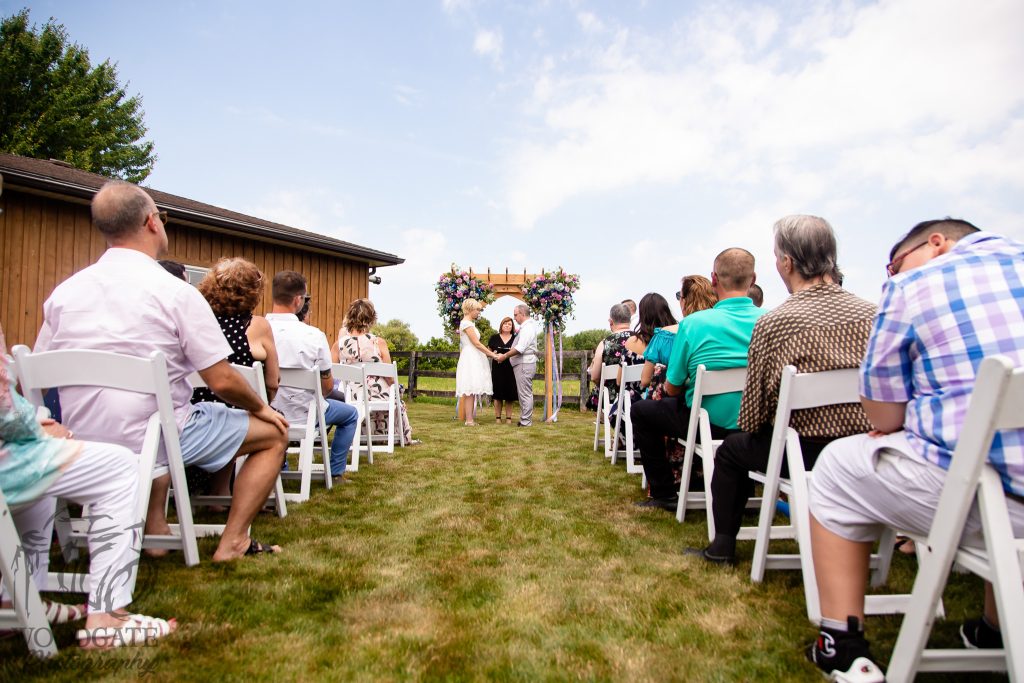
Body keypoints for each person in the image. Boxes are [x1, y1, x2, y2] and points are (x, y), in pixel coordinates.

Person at [804, 219, 1024, 681]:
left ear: (938, 243)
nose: (891, 276)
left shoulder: (914, 286)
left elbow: (884, 415)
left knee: (835, 469)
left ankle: (840, 642)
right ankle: (995, 627)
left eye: (894, 264)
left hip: (993, 498)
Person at [36, 180, 289, 561]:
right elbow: (220, 379)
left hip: (82, 438)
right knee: (273, 434)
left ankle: (154, 525)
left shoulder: (65, 292)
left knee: (156, 412)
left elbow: (38, 373)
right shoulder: (175, 293)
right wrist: (261, 407)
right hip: (157, 438)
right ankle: (234, 541)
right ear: (152, 222)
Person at [686, 215, 875, 564]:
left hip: (801, 451)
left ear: (787, 263)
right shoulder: (873, 314)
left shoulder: (775, 322)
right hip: (865, 450)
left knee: (732, 450)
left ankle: (723, 545)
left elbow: (754, 414)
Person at [0, 324, 177, 649]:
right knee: (120, 465)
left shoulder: (62, 296)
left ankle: (15, 597)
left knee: (45, 467)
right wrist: (36, 427)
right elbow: (4, 406)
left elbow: (32, 366)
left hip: (22, 451)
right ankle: (108, 615)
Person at [631, 249, 765, 510]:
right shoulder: (771, 320)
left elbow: (673, 386)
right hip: (756, 425)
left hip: (706, 422)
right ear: (753, 279)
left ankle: (664, 492)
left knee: (642, 411)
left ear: (714, 279)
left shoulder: (692, 324)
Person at [191, 257, 281, 499]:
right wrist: (263, 405)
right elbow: (273, 381)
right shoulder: (257, 325)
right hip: (236, 412)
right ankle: (250, 497)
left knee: (229, 407)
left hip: (192, 413)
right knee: (262, 418)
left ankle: (216, 489)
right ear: (253, 292)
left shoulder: (196, 321)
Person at [267, 271, 359, 478]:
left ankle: (280, 468)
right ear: (299, 300)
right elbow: (327, 388)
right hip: (306, 414)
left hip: (266, 414)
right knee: (350, 414)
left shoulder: (254, 330)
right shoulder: (313, 336)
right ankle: (335, 472)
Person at [335, 298, 413, 444]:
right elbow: (389, 377)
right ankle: (395, 435)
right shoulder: (378, 342)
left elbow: (332, 372)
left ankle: (360, 434)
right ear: (371, 319)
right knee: (395, 393)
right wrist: (397, 389)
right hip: (380, 396)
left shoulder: (338, 345)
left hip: (352, 396)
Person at [587, 303, 641, 411]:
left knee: (595, 396)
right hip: (638, 399)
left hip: (611, 401)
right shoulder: (641, 339)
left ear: (611, 322)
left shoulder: (605, 343)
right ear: (629, 320)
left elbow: (594, 376)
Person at [495, 304, 541, 427]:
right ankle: (524, 419)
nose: (514, 318)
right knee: (523, 393)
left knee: (525, 393)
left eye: (515, 315)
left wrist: (504, 356)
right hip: (522, 364)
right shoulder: (525, 327)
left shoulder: (527, 328)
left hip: (524, 364)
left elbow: (520, 348)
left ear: (522, 314)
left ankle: (526, 421)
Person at [454, 298, 496, 426]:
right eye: (477, 310)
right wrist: (492, 355)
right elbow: (476, 343)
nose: (479, 312)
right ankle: (469, 420)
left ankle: (470, 419)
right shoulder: (467, 324)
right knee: (470, 389)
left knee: (471, 389)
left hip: (472, 355)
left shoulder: (468, 323)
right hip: (471, 357)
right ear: (470, 309)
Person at [487, 316, 518, 424]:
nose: (507, 325)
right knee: (498, 394)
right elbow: (488, 352)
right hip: (497, 369)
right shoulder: (494, 337)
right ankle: (498, 418)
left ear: (512, 326)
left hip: (511, 369)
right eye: (505, 323)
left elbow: (519, 351)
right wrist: (494, 355)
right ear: (501, 325)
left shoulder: (516, 338)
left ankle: (509, 418)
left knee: (510, 395)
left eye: (509, 324)